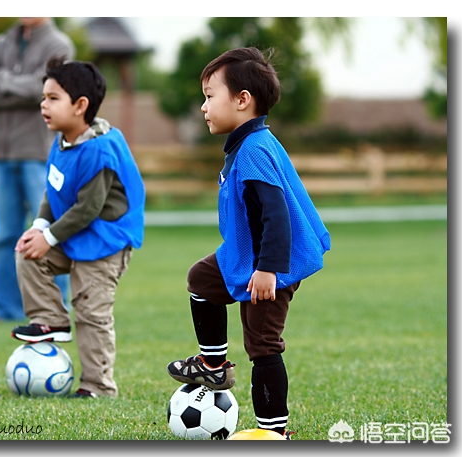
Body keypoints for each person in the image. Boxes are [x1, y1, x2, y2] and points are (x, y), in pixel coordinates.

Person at [166, 48, 331, 436]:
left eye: (209, 95)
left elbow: (275, 216)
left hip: (273, 266)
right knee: (202, 280)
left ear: (242, 100)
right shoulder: (247, 144)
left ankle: (274, 433)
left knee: (262, 345)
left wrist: (268, 269)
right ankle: (213, 366)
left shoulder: (255, 150)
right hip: (244, 257)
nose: (203, 106)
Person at [11, 57, 145, 398]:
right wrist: (39, 226)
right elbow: (53, 189)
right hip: (75, 234)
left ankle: (98, 386)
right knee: (28, 254)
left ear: (80, 105)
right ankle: (51, 319)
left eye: (53, 98)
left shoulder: (98, 149)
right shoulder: (64, 141)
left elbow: (88, 208)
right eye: (43, 97)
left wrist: (50, 237)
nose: (43, 104)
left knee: (90, 311)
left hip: (105, 242)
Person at [0, 17, 75, 322]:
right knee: (5, 234)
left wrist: (4, 81)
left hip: (38, 153)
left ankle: (55, 307)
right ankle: (6, 308)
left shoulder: (59, 45)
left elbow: (43, 91)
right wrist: (22, 86)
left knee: (48, 230)